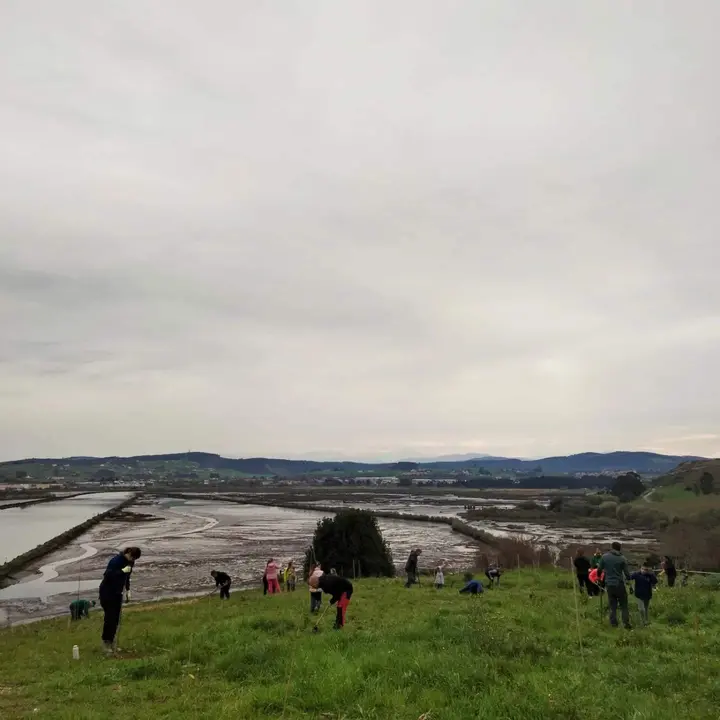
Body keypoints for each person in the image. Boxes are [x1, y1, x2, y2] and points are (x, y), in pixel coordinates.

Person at [99, 546, 141, 653]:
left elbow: (127, 578)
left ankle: (112, 642)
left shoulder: (130, 563)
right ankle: (106, 644)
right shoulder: (116, 561)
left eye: (135, 560)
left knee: (116, 619)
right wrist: (122, 571)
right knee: (110, 619)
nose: (133, 561)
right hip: (107, 592)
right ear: (129, 554)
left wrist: (128, 590)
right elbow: (108, 575)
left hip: (118, 593)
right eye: (133, 558)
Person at [598, 542, 631, 629]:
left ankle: (613, 623)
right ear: (619, 548)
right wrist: (629, 579)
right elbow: (627, 574)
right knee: (624, 605)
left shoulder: (604, 557)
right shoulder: (622, 558)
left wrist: (599, 578)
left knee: (612, 605)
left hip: (609, 584)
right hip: (619, 584)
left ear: (612, 547)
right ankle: (626, 623)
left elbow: (599, 570)